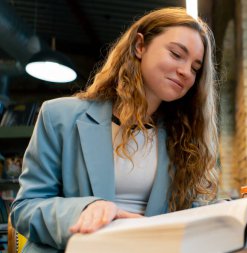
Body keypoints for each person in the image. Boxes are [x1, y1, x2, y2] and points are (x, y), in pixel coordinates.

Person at [10, 7, 219, 253]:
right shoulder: (59, 116)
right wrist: (85, 210)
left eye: (195, 68)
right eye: (176, 54)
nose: (186, 72)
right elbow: (25, 208)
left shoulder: (184, 138)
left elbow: (195, 213)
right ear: (139, 46)